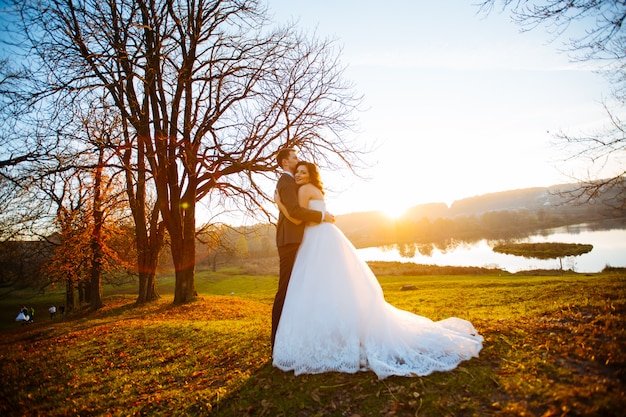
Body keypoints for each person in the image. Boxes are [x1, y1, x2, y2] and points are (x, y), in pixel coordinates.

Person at [272, 161, 483, 379]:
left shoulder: (305, 190)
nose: (298, 175)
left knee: (316, 287)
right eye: (297, 172)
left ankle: (327, 336)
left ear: (310, 175)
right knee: (332, 285)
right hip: (327, 236)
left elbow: (297, 216)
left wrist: (280, 203)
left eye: (303, 172)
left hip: (316, 238)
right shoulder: (316, 189)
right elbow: (315, 213)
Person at [271, 148, 335, 350]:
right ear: (284, 163)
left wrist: (280, 204)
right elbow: (296, 213)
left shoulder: (295, 184)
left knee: (297, 288)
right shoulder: (286, 182)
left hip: (300, 239)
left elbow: (298, 211)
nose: (298, 163)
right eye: (295, 158)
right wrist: (321, 215)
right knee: (285, 290)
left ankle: (291, 336)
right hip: (289, 240)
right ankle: (277, 341)